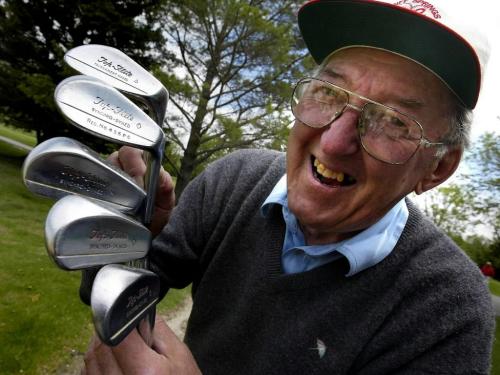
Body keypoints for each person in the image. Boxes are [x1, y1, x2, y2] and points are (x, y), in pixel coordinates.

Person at [81, 0, 496, 373]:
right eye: (329, 93)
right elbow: (119, 294)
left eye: (394, 121)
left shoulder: (449, 309)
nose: (334, 142)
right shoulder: (233, 182)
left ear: (437, 169)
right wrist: (123, 239)